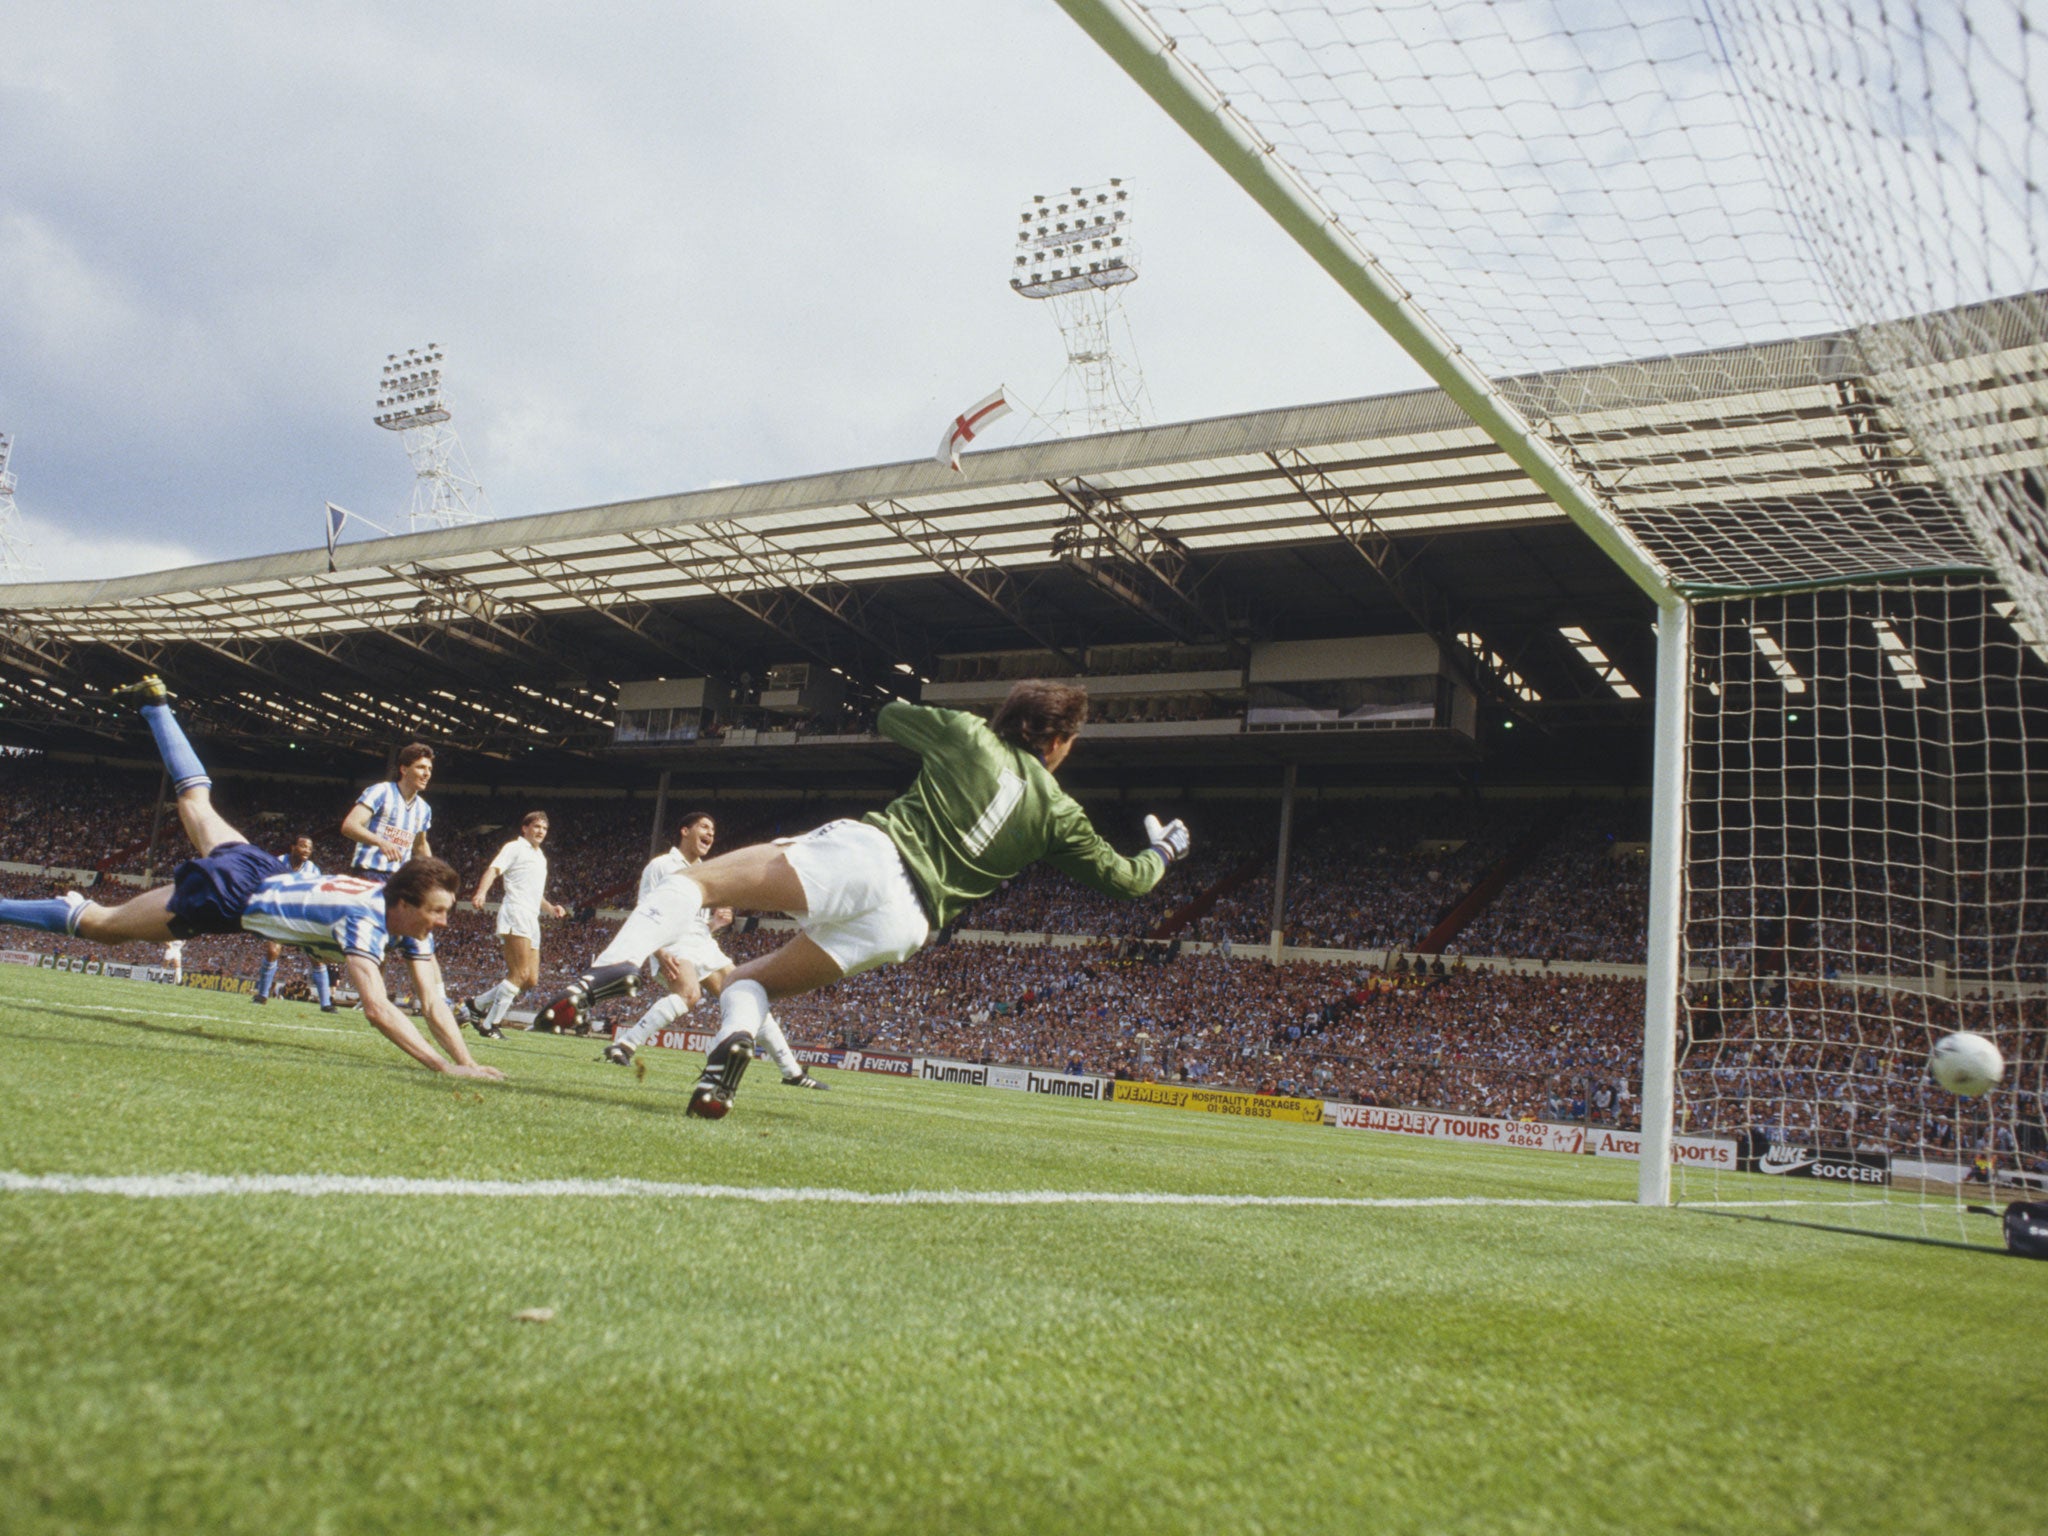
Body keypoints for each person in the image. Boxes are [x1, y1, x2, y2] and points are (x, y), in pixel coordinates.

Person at [541, 680, 1188, 1118]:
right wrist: (1165, 851)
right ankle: (722, 1064)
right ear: (1056, 741)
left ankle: (616, 964)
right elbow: (1128, 880)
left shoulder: (969, 736)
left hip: (873, 856)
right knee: (747, 984)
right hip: (908, 923)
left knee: (696, 882)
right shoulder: (1060, 815)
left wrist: (951, 727)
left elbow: (889, 719)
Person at [0, 679, 501, 1080]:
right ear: (408, 902)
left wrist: (468, 1063)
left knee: (196, 798)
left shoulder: (395, 907)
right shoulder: (366, 918)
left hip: (262, 867)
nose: (441, 922)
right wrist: (442, 1067)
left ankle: (156, 707)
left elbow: (433, 1000)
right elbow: (377, 1009)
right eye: (436, 912)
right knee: (102, 925)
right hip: (230, 896)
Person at [596, 811, 827, 1089]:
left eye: (713, 830)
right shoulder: (661, 866)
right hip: (673, 942)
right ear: (685, 830)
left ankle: (793, 1073)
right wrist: (657, 950)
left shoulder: (707, 871)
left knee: (749, 996)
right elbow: (646, 910)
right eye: (704, 827)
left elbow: (695, 923)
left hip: (702, 943)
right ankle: (624, 1045)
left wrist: (714, 924)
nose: (710, 834)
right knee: (689, 995)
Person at [461, 810, 567, 1039]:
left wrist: (551, 908)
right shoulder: (514, 848)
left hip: (532, 917)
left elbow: (535, 894)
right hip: (515, 912)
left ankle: (477, 1004)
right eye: (536, 827)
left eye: (544, 828)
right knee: (518, 973)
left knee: (530, 979)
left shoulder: (541, 857)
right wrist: (481, 893)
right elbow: (493, 870)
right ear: (525, 828)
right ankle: (490, 1024)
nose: (540, 832)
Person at [252, 835, 335, 1010]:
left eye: (309, 848)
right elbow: (265, 884)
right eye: (303, 846)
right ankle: (262, 995)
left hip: (301, 916)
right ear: (293, 847)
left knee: (316, 957)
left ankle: (326, 1003)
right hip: (279, 912)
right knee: (272, 950)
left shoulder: (313, 870)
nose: (306, 850)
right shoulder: (278, 862)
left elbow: (318, 894)